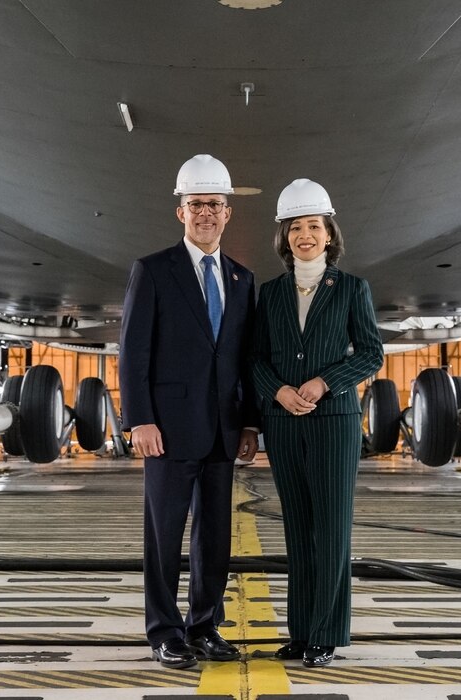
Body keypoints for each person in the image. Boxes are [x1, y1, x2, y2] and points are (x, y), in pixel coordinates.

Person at [119, 154, 260, 670]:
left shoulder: (243, 280)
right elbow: (133, 351)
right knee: (164, 536)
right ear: (181, 212)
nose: (206, 213)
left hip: (223, 431)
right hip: (167, 429)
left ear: (228, 214)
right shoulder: (154, 271)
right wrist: (140, 419)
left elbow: (245, 359)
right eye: (196, 204)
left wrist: (249, 421)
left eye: (215, 206)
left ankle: (205, 626)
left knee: (214, 539)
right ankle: (164, 631)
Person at [250, 178, 384, 668]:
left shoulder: (351, 289)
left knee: (331, 529)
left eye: (314, 226)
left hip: (333, 421)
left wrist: (326, 382)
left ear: (330, 233)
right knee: (297, 529)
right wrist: (279, 391)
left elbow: (371, 353)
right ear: (284, 237)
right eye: (295, 228)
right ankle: (301, 631)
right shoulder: (272, 293)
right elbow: (256, 358)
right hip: (284, 423)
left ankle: (326, 633)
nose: (304, 235)